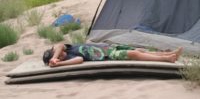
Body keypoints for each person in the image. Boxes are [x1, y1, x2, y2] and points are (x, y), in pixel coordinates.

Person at [43, 43, 183, 67]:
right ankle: (166, 59)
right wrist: (60, 63)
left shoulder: (66, 48)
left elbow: (59, 45)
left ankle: (169, 53)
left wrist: (54, 57)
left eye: (58, 55)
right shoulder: (69, 58)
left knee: (140, 50)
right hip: (108, 55)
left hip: (107, 48)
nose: (60, 56)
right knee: (134, 53)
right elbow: (79, 60)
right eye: (57, 57)